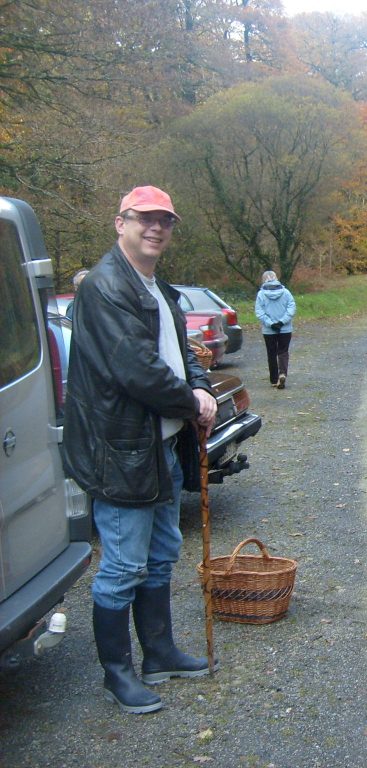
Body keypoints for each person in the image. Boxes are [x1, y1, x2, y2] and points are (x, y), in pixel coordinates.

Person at [62, 185, 218, 715]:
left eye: (165, 221)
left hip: (160, 447)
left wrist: (201, 388)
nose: (155, 228)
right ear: (119, 223)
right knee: (123, 566)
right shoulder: (106, 287)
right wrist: (191, 399)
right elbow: (136, 370)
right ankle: (118, 674)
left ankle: (159, 652)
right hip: (122, 450)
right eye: (144, 219)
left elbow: (182, 357)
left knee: (159, 556)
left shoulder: (156, 287)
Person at [255, 270, 297, 389]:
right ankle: (282, 373)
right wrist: (282, 322)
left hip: (269, 331)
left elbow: (259, 312)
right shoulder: (286, 292)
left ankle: (274, 379)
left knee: (271, 353)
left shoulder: (261, 294)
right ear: (276, 278)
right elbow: (291, 308)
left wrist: (271, 324)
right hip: (285, 329)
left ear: (264, 280)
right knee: (283, 352)